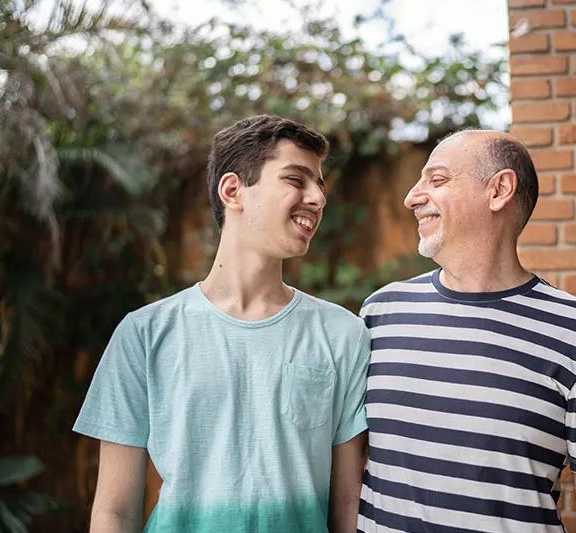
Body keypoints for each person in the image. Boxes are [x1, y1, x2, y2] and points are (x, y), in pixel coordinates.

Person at [74, 115, 369, 533]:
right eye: (296, 179)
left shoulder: (343, 335)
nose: (317, 198)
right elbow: (114, 512)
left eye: (319, 184)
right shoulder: (144, 334)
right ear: (233, 191)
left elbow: (346, 504)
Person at [357, 130, 576, 533]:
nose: (411, 197)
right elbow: (347, 466)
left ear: (499, 190)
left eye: (437, 180)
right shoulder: (380, 314)